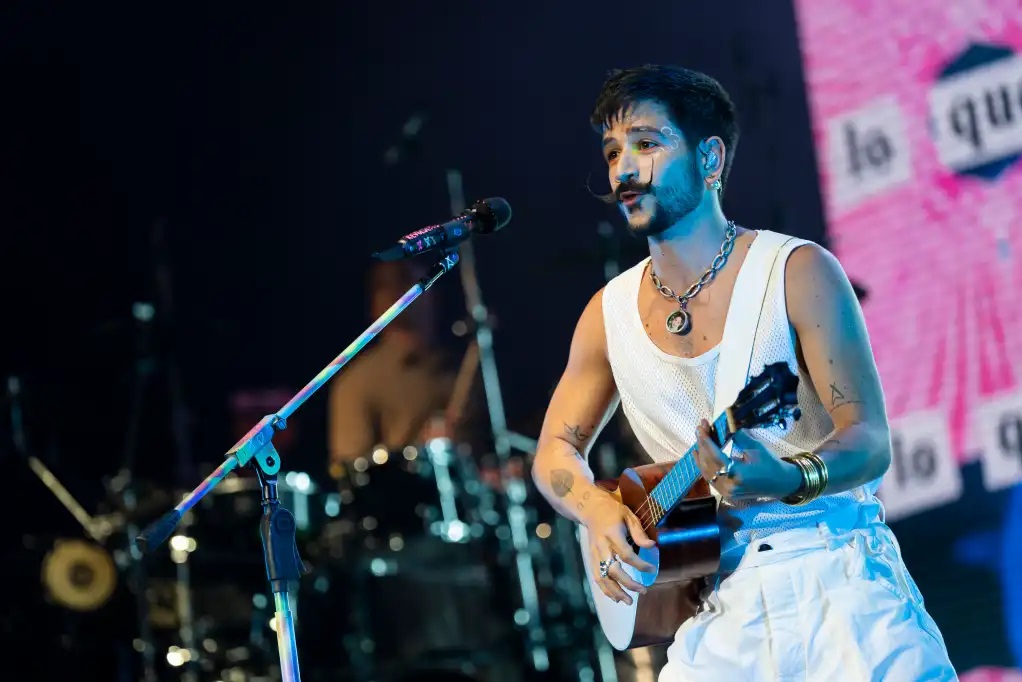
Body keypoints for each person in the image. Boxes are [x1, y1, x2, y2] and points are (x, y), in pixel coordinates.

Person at [529, 65, 957, 680]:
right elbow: (553, 453)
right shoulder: (606, 316)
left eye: (647, 145)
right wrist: (597, 511)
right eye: (613, 151)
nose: (623, 170)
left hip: (842, 587)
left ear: (710, 157)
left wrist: (786, 476)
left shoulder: (798, 271)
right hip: (718, 611)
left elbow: (868, 441)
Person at [327, 260, 480, 473]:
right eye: (387, 285)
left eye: (409, 281)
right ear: (374, 303)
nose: (399, 292)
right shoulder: (356, 382)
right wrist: (422, 455)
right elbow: (352, 475)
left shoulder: (464, 365)